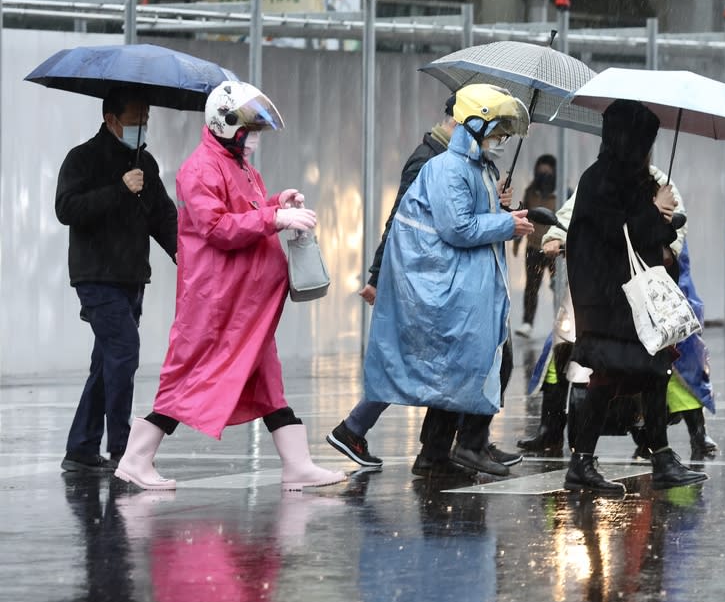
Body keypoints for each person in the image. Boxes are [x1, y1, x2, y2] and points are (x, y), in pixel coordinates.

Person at [113, 80, 346, 491]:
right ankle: (135, 459)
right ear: (226, 126)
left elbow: (246, 211)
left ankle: (297, 463)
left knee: (268, 381)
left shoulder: (237, 164)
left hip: (244, 302)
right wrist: (274, 219)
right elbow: (218, 227)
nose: (254, 139)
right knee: (190, 378)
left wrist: (277, 203)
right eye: (248, 130)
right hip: (217, 301)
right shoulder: (200, 168)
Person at [326, 94, 522, 476]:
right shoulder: (434, 162)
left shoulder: (469, 164)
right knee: (427, 365)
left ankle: (439, 450)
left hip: (448, 281)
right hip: (433, 283)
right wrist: (378, 275)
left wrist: (494, 206)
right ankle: (451, 444)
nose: (498, 138)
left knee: (430, 367)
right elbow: (413, 220)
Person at [519, 168, 718, 461]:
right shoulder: (597, 178)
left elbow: (668, 242)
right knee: (559, 351)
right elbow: (571, 213)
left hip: (648, 292)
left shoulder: (661, 183)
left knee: (674, 358)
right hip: (603, 290)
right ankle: (554, 431)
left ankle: (694, 432)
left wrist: (664, 230)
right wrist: (555, 237)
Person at [564, 98, 707, 494]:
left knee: (648, 373)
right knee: (616, 376)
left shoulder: (623, 178)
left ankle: (656, 456)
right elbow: (623, 234)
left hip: (621, 302)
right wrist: (654, 210)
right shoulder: (605, 181)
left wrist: (659, 212)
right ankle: (589, 462)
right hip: (611, 301)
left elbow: (640, 232)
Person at [55, 87, 178, 472]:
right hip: (95, 277)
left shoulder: (146, 164)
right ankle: (123, 450)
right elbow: (66, 208)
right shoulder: (82, 159)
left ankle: (80, 448)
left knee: (107, 362)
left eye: (145, 119)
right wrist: (119, 189)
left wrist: (186, 256)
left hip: (131, 277)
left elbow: (163, 218)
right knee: (124, 352)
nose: (141, 126)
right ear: (111, 120)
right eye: (135, 119)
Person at [513, 154, 558, 339]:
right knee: (531, 287)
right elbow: (522, 216)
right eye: (541, 170)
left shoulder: (563, 191)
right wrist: (516, 242)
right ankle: (527, 322)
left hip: (556, 250)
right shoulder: (531, 192)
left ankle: (562, 322)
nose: (544, 174)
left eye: (548, 171)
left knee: (559, 287)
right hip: (533, 247)